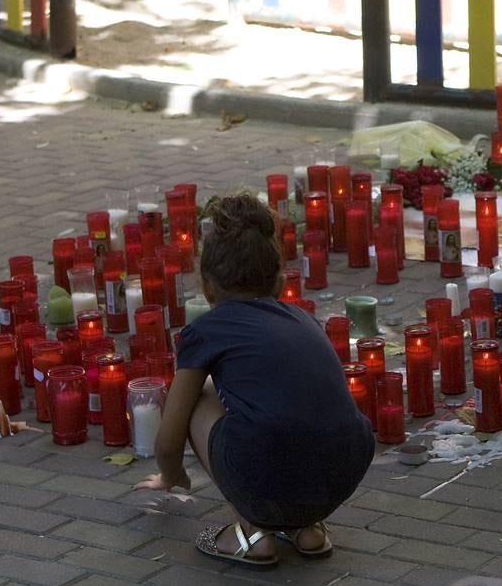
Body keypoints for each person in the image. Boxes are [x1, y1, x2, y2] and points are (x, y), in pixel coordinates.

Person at [133, 194, 374, 566]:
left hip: (270, 469)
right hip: (342, 472)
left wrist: (171, 474)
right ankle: (307, 527)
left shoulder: (205, 332)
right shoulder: (304, 320)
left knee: (199, 396)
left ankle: (252, 532)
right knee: (285, 415)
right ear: (279, 280)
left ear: (207, 287)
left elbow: (169, 437)